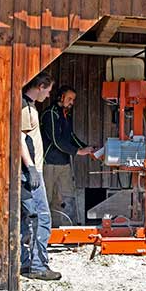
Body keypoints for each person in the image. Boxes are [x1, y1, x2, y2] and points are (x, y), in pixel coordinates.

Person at [20, 73, 61, 281]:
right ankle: (37, 265)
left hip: (30, 170)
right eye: (48, 90)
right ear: (41, 86)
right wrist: (31, 168)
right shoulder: (25, 107)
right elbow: (20, 138)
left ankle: (26, 262)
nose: (49, 94)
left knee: (28, 219)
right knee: (41, 217)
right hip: (30, 172)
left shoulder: (29, 106)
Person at [41, 86, 94, 225]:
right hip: (49, 163)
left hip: (64, 163)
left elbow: (70, 136)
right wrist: (78, 151)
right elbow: (56, 139)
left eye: (73, 100)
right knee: (48, 197)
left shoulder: (66, 115)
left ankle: (66, 228)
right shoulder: (50, 114)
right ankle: (46, 230)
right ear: (61, 97)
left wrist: (86, 148)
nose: (72, 102)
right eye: (69, 98)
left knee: (66, 196)